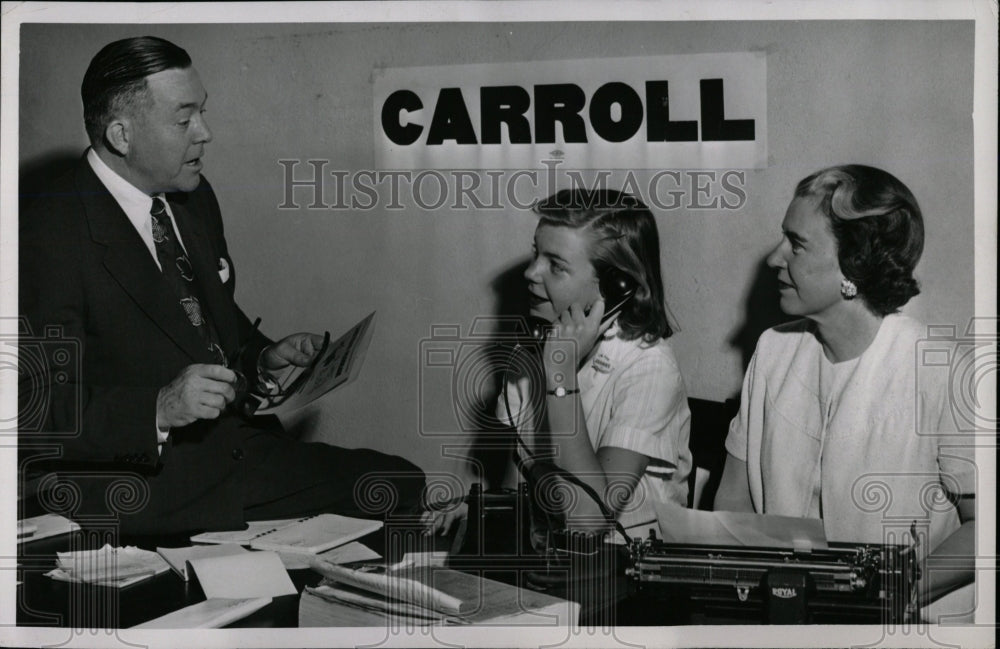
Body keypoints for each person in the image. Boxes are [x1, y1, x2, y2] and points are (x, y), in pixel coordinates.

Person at [18, 36, 424, 536]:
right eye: (184, 118)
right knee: (391, 491)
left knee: (401, 481)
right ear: (122, 135)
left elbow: (198, 317)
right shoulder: (45, 234)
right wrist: (158, 407)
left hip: (231, 449)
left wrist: (260, 358)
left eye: (203, 112)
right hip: (136, 482)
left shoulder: (190, 197)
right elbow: (30, 406)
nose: (205, 133)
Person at [714, 165, 976, 613]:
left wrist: (896, 594)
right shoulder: (772, 350)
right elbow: (733, 498)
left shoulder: (940, 370)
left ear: (853, 264)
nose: (775, 258)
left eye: (796, 244)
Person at [425, 189, 691, 542]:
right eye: (536, 254)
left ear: (617, 287)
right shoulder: (532, 347)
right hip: (551, 560)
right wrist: (481, 507)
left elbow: (589, 519)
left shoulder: (650, 367)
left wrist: (560, 375)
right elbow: (518, 489)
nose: (532, 273)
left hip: (624, 567)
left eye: (556, 265)